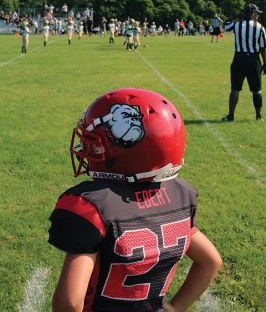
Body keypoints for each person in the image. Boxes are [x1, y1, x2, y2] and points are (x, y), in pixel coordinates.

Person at [48, 88, 222, 312]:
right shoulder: (180, 194)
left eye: (93, 141)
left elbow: (70, 303)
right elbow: (211, 261)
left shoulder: (91, 206)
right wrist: (176, 307)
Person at [222, 3, 266, 121]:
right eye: (256, 13)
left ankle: (231, 115)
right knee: (257, 90)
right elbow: (263, 48)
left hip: (239, 59)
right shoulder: (260, 27)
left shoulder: (237, 25)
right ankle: (258, 116)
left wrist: (235, 16)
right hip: (254, 60)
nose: (257, 15)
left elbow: (224, 25)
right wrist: (265, 63)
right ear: (252, 14)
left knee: (235, 89)